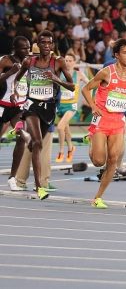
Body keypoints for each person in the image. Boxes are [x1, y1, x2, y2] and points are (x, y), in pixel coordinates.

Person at [11, 31, 75, 200]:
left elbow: (72, 86)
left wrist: (56, 79)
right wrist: (15, 91)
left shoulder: (58, 62)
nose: (46, 46)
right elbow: (17, 78)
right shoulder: (29, 61)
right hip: (32, 105)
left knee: (35, 145)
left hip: (49, 109)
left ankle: (21, 132)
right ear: (37, 45)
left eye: (49, 43)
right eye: (43, 42)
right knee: (38, 143)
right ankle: (40, 187)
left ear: (53, 45)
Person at [81, 39, 126, 208]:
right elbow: (85, 89)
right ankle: (92, 140)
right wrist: (93, 106)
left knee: (113, 160)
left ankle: (98, 197)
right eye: (125, 52)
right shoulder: (106, 73)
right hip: (101, 119)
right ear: (116, 55)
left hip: (117, 121)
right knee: (98, 161)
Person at [1, 36, 31, 191]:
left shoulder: (28, 62)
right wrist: (10, 72)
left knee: (21, 137)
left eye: (28, 47)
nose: (27, 51)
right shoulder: (5, 60)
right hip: (1, 106)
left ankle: (12, 178)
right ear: (15, 48)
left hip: (17, 107)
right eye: (24, 48)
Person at [55, 52, 89, 163]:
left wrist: (89, 99)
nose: (68, 63)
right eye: (66, 61)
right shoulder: (59, 73)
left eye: (70, 61)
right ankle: (71, 148)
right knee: (66, 129)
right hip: (60, 106)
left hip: (71, 106)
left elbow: (91, 85)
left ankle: (61, 151)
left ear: (74, 62)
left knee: (60, 127)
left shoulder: (78, 74)